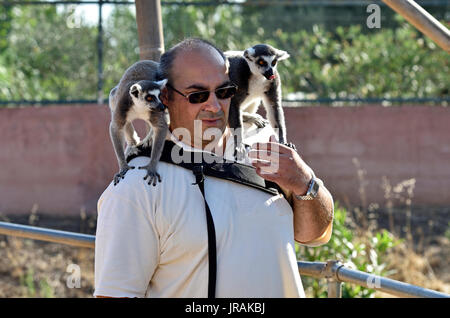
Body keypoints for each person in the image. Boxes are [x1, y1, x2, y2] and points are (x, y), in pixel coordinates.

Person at [94, 38, 334, 298]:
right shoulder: (138, 187)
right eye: (198, 95)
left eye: (224, 92)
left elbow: (315, 235)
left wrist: (305, 183)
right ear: (165, 96)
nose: (214, 106)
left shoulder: (263, 144)